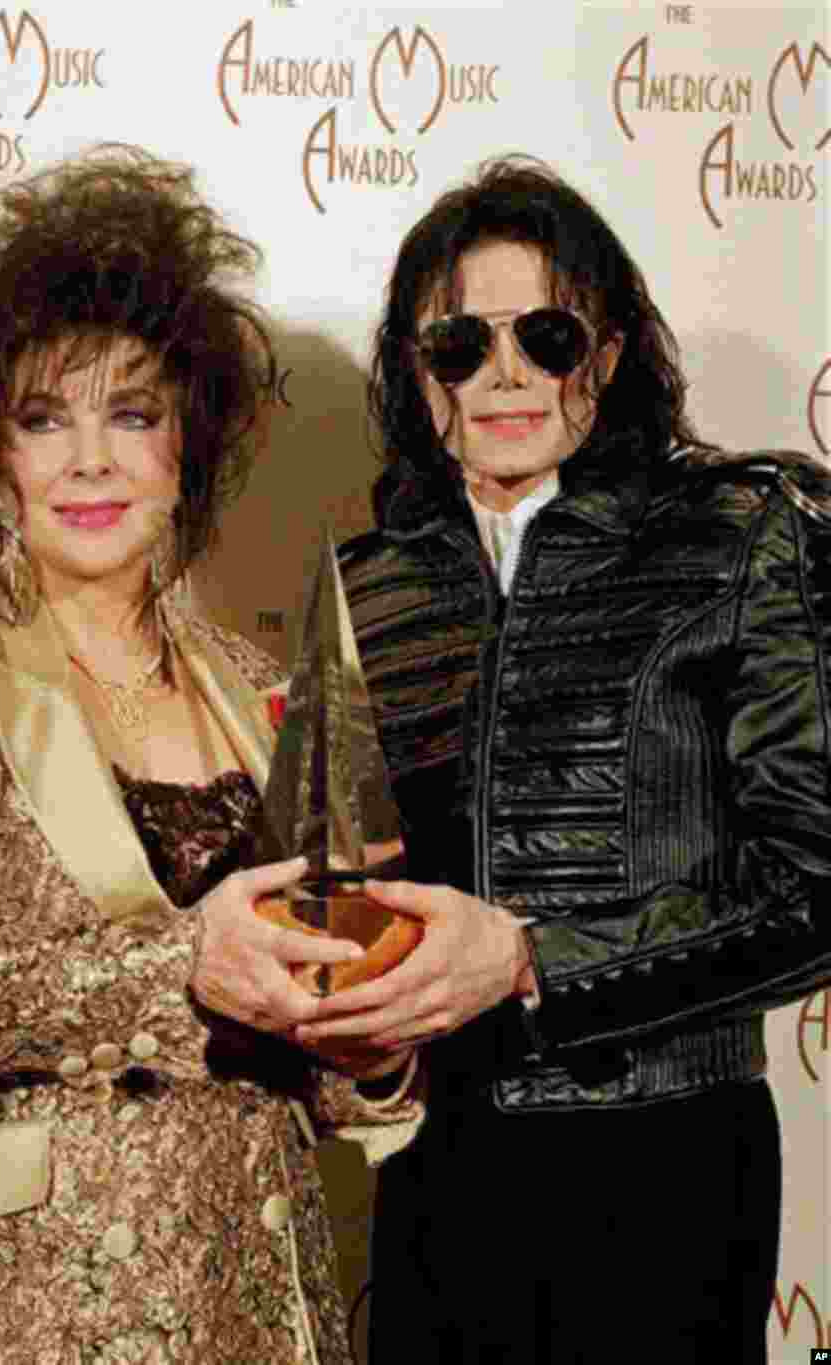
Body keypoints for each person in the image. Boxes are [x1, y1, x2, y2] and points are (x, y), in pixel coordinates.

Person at [0, 145, 421, 1365]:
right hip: (26, 1311)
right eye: (45, 418)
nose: (89, 459)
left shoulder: (266, 691)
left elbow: (313, 1030)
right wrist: (187, 965)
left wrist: (370, 1050)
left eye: (131, 414)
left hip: (253, 1300)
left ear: (186, 441)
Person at [292, 156, 831, 1363]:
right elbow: (333, 897)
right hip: (440, 1168)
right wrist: (360, 1031)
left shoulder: (744, 537)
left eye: (546, 335)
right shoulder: (364, 589)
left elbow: (817, 887)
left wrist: (534, 961)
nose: (505, 375)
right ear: (416, 371)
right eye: (459, 345)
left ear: (611, 351)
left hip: (668, 1166)